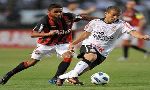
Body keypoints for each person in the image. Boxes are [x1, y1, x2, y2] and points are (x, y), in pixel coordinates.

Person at [0, 4, 98, 85]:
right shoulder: (45, 20)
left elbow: (85, 17)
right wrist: (48, 33)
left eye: (60, 11)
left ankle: (55, 78)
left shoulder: (69, 16)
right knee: (31, 63)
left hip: (62, 44)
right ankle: (8, 75)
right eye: (56, 11)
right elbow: (33, 34)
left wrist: (101, 20)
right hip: (45, 45)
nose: (59, 13)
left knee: (68, 56)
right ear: (49, 12)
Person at [55, 6, 150, 86]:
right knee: (92, 56)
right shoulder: (95, 22)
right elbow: (85, 34)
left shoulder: (122, 24)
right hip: (89, 45)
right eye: (113, 15)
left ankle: (62, 77)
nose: (115, 17)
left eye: (117, 15)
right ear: (106, 13)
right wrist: (73, 43)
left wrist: (142, 36)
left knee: (85, 69)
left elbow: (132, 32)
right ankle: (72, 76)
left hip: (104, 52)